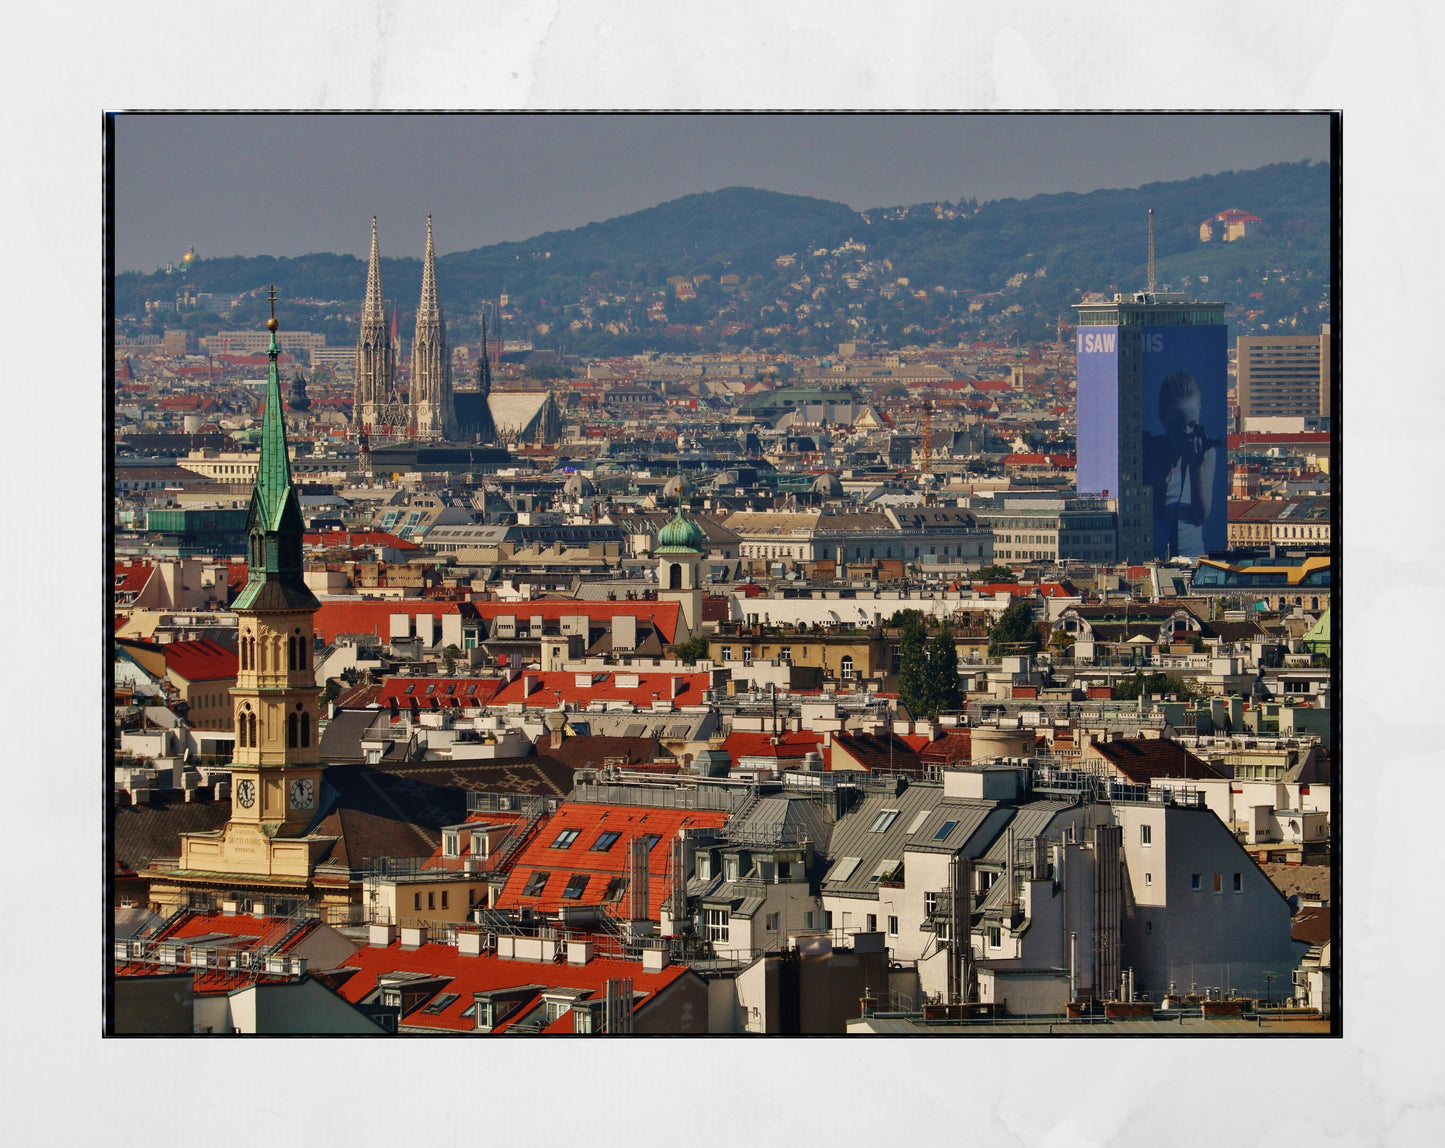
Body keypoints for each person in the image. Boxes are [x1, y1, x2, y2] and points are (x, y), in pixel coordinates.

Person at [1143, 370, 1221, 557]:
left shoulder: (1206, 453)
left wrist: (1195, 467)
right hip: (1150, 560)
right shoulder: (1149, 450)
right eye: (1179, 427)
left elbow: (1200, 515)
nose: (1186, 432)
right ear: (1163, 417)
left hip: (1191, 558)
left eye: (1191, 425)